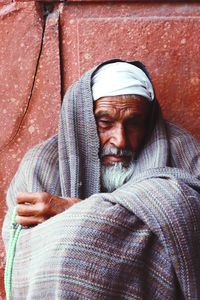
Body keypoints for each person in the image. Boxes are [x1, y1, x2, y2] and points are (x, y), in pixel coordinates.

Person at [2, 59, 200, 299]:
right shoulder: (42, 165)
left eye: (134, 123)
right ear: (82, 120)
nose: (121, 141)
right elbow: (27, 257)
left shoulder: (181, 151)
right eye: (105, 122)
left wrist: (77, 211)